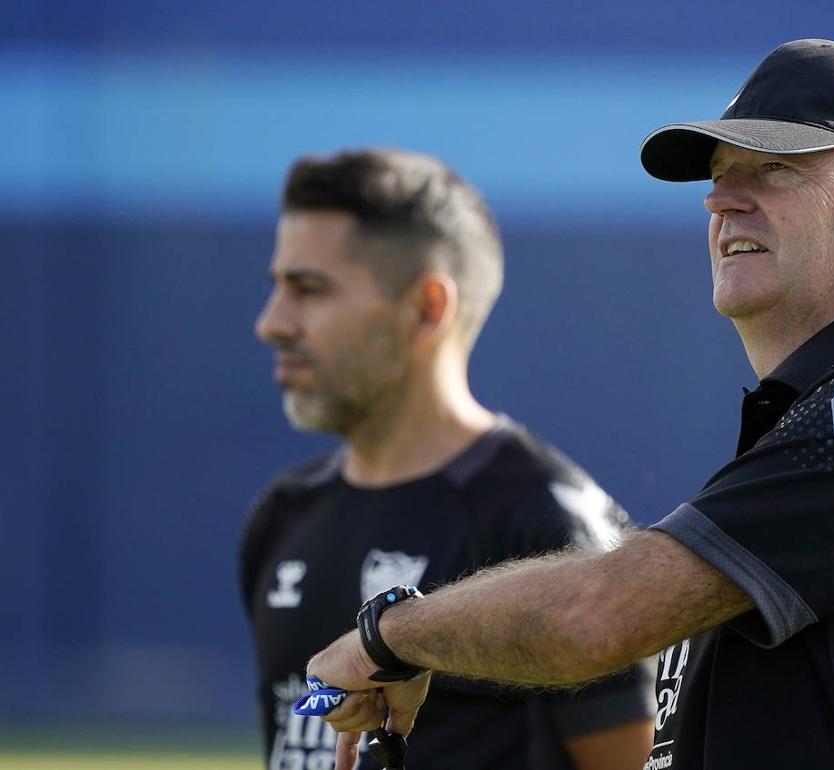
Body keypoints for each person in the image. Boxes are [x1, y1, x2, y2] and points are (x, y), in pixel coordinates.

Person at [306, 40, 834, 770]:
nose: (721, 197)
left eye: (775, 167)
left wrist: (387, 635)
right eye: (722, 172)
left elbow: (596, 616)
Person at [240, 148, 656, 770]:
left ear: (427, 308)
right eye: (277, 287)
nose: (271, 323)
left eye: (309, 289)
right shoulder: (284, 514)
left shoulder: (545, 523)